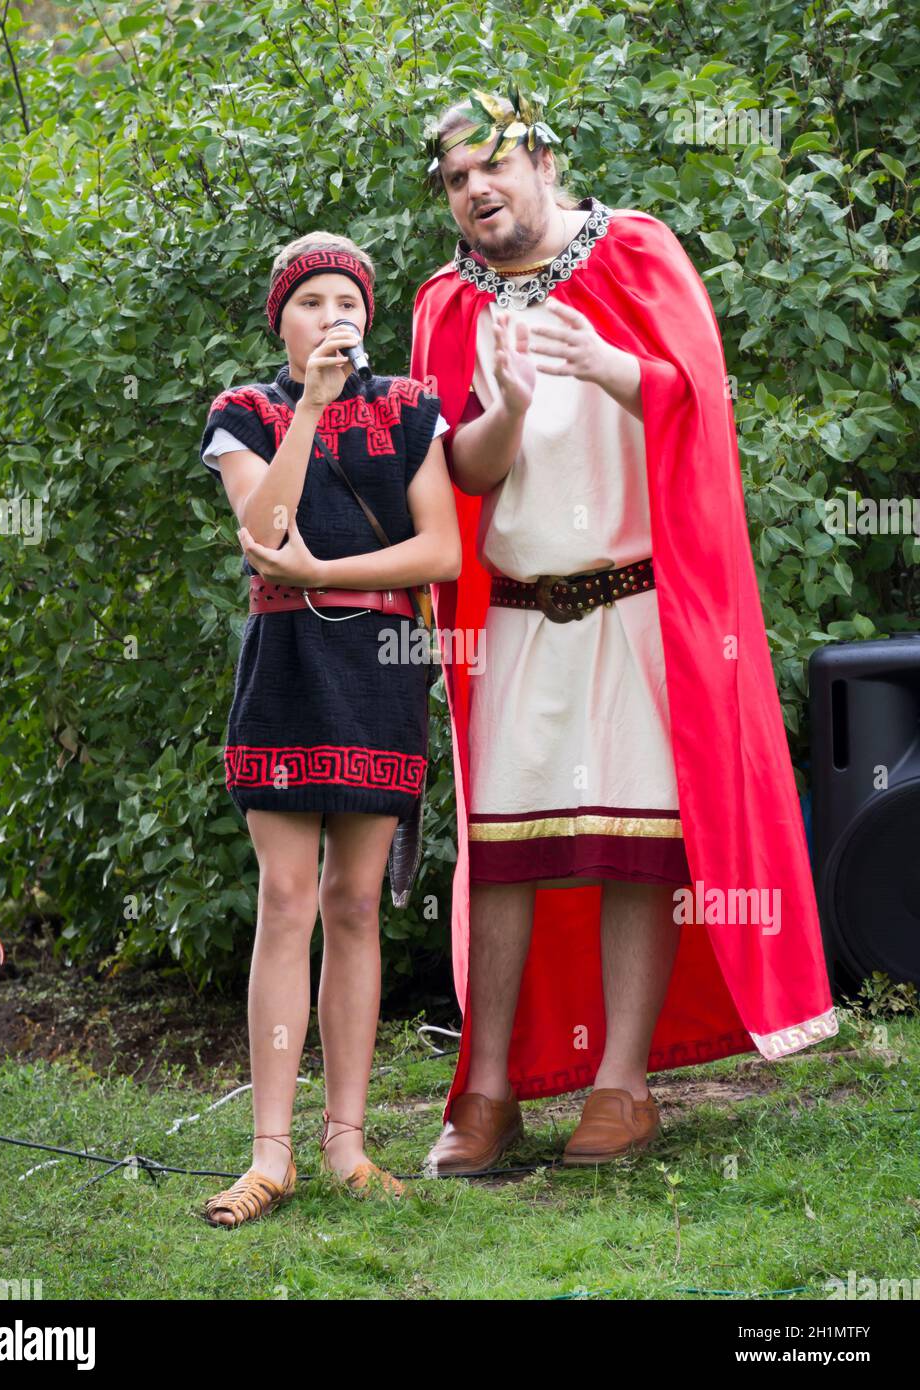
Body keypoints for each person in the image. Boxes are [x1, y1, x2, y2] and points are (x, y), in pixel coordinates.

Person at [410, 86, 838, 1174]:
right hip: (510, 617)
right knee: (502, 857)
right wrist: (503, 408)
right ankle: (488, 1094)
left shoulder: (637, 251)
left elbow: (701, 403)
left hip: (640, 603)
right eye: (456, 181)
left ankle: (623, 1086)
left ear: (543, 160)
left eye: (490, 168)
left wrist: (606, 365)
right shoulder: (445, 307)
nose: (476, 193)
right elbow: (450, 476)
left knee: (637, 849)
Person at [198, 232, 461, 1224]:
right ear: (282, 319)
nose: (330, 318)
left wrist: (324, 574)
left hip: (381, 667)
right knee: (288, 895)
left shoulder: (410, 408)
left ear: (368, 313)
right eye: (309, 302)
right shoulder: (245, 412)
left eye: (345, 301)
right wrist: (307, 406)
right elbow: (265, 536)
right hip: (286, 667)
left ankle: (345, 1144)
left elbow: (436, 547)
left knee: (355, 902)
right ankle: (270, 1155)